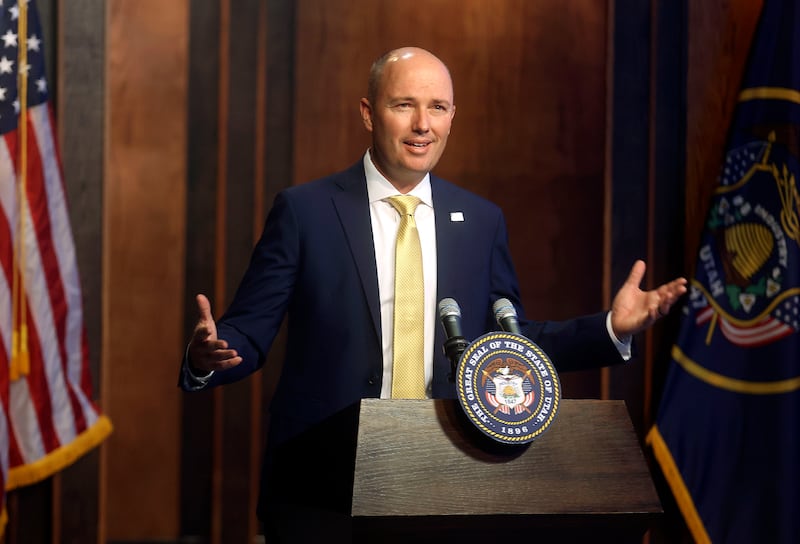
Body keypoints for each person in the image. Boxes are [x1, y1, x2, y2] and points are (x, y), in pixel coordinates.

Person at [179, 46, 687, 541]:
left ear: (451, 118)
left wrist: (608, 330)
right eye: (405, 105)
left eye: (438, 108)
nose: (423, 124)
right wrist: (209, 354)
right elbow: (249, 329)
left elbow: (510, 343)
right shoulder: (304, 211)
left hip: (447, 477)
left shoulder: (481, 221)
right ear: (368, 113)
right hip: (322, 485)